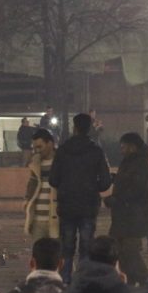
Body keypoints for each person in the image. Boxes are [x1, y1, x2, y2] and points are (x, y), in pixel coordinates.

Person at [50, 113, 112, 284]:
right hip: (88, 205)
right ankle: (83, 281)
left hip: (67, 204)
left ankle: (65, 282)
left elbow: (53, 179)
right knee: (86, 246)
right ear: (89, 128)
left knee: (66, 247)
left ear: (75, 127)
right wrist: (93, 186)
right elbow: (106, 182)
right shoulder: (96, 151)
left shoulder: (63, 150)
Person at [103, 133, 148, 286]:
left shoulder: (141, 164)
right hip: (124, 215)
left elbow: (137, 189)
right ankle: (129, 284)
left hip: (134, 216)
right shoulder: (130, 162)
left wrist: (117, 199)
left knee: (130, 252)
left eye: (123, 147)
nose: (121, 150)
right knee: (120, 251)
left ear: (132, 147)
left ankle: (147, 283)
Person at [24, 129, 59, 242]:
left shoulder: (61, 162)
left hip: (56, 218)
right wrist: (27, 201)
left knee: (56, 255)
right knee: (38, 255)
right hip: (37, 219)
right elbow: (32, 183)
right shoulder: (36, 163)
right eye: (34, 148)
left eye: (40, 147)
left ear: (50, 143)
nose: (37, 151)